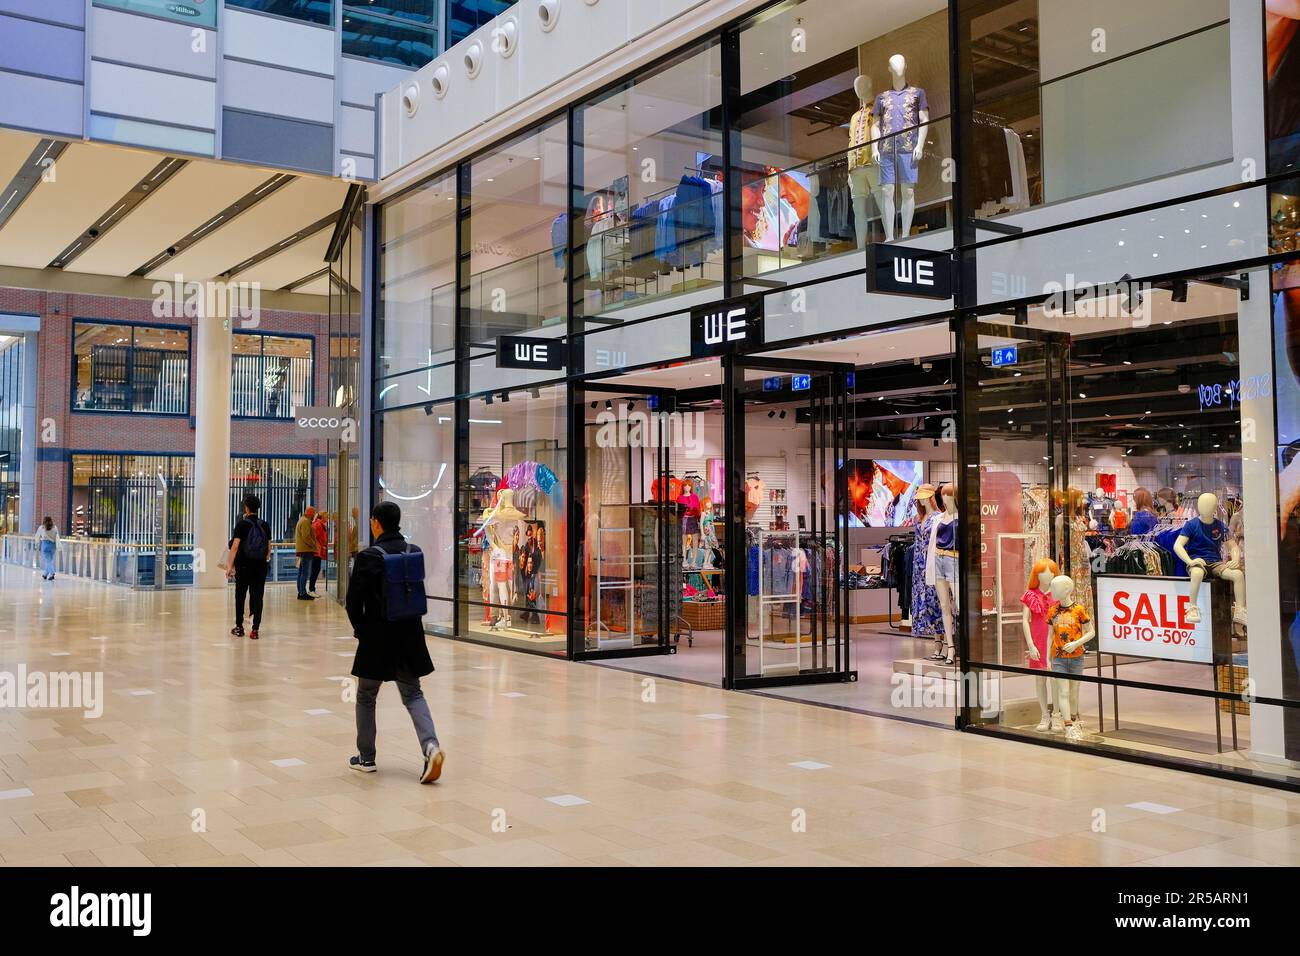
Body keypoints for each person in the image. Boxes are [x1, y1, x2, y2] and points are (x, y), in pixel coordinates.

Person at [346, 501, 444, 783]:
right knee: (413, 694)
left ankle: (366, 758)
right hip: (409, 634)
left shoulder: (369, 556)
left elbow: (354, 602)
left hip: (376, 635)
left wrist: (361, 631)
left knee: (366, 695)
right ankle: (431, 747)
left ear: (376, 522)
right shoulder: (413, 552)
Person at [226, 493, 272, 640]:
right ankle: (255, 629)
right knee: (257, 596)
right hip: (260, 567)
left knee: (240, 596)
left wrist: (229, 566)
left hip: (244, 567)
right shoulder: (265, 525)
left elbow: (234, 547)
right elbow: (269, 548)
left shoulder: (242, 524)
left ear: (246, 507)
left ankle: (239, 627)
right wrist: (264, 560)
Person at [294, 506, 317, 601]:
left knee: (301, 572)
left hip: (302, 550)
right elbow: (306, 536)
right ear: (310, 513)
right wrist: (313, 545)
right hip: (306, 550)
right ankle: (302, 593)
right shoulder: (305, 521)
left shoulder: (302, 520)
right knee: (304, 573)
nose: (314, 515)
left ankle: (301, 592)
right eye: (313, 513)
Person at [35, 516, 59, 580]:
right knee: (49, 560)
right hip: (53, 545)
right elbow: (57, 536)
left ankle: (52, 573)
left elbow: (37, 536)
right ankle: (45, 574)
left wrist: (36, 544)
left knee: (48, 561)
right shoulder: (55, 527)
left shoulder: (41, 527)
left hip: (45, 544)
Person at [311, 509, 328, 594]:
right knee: (315, 570)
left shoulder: (320, 524)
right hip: (316, 552)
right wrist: (320, 546)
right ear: (323, 517)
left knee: (316, 569)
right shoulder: (318, 524)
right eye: (327, 516)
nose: (328, 518)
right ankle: (312, 589)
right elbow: (314, 537)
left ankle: (312, 588)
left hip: (318, 551)